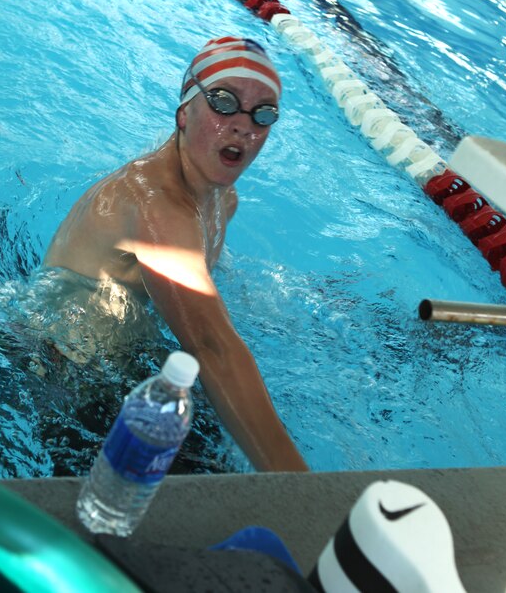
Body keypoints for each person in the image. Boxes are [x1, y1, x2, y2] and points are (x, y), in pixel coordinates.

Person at [44, 36, 308, 473]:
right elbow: (209, 344)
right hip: (61, 372)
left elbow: (200, 298)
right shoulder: (154, 202)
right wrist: (307, 490)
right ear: (184, 111)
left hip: (125, 362)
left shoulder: (223, 201)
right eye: (224, 102)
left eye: (264, 113)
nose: (244, 125)